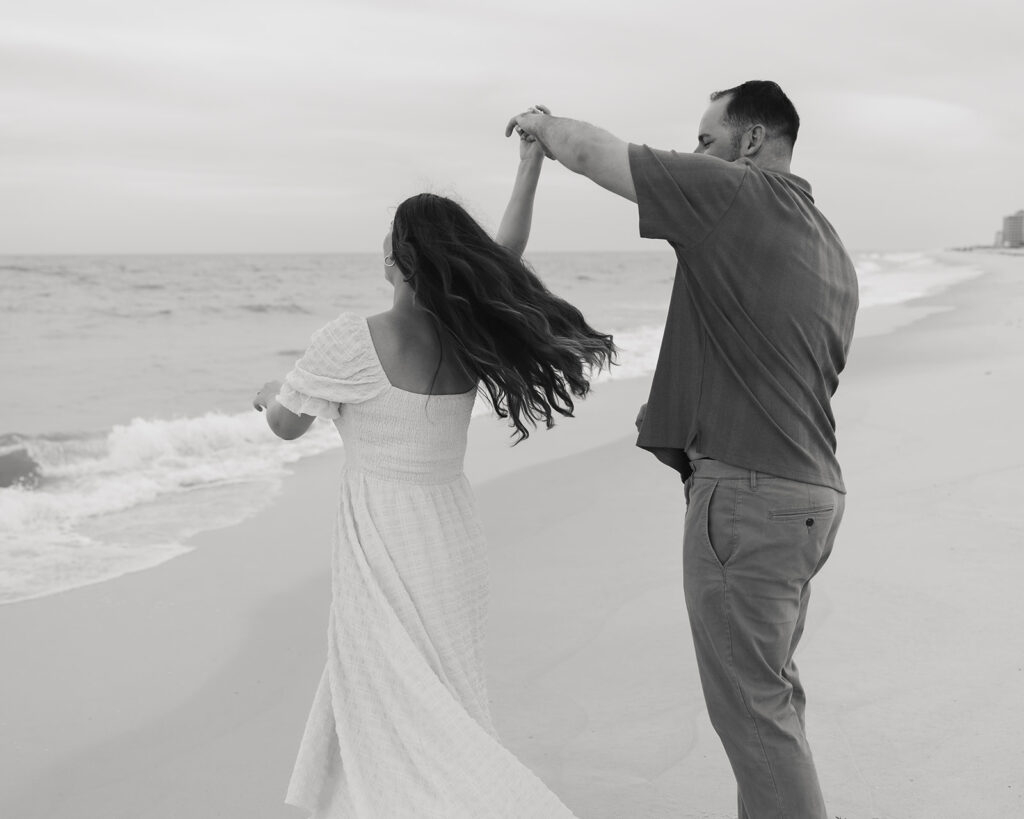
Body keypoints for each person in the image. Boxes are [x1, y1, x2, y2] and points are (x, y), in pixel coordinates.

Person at [507, 82, 858, 819]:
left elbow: (598, 154)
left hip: (749, 502)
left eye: (706, 138)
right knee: (769, 702)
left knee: (754, 716)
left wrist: (541, 126)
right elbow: (785, 367)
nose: (695, 153)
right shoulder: (829, 246)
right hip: (812, 498)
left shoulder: (733, 195)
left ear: (752, 141)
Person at [252, 125, 613, 817]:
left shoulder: (351, 341)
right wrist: (529, 168)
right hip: (449, 544)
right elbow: (504, 257)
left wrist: (273, 391)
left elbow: (286, 424)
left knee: (409, 718)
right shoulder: (466, 333)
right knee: (432, 712)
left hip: (385, 552)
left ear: (396, 257)